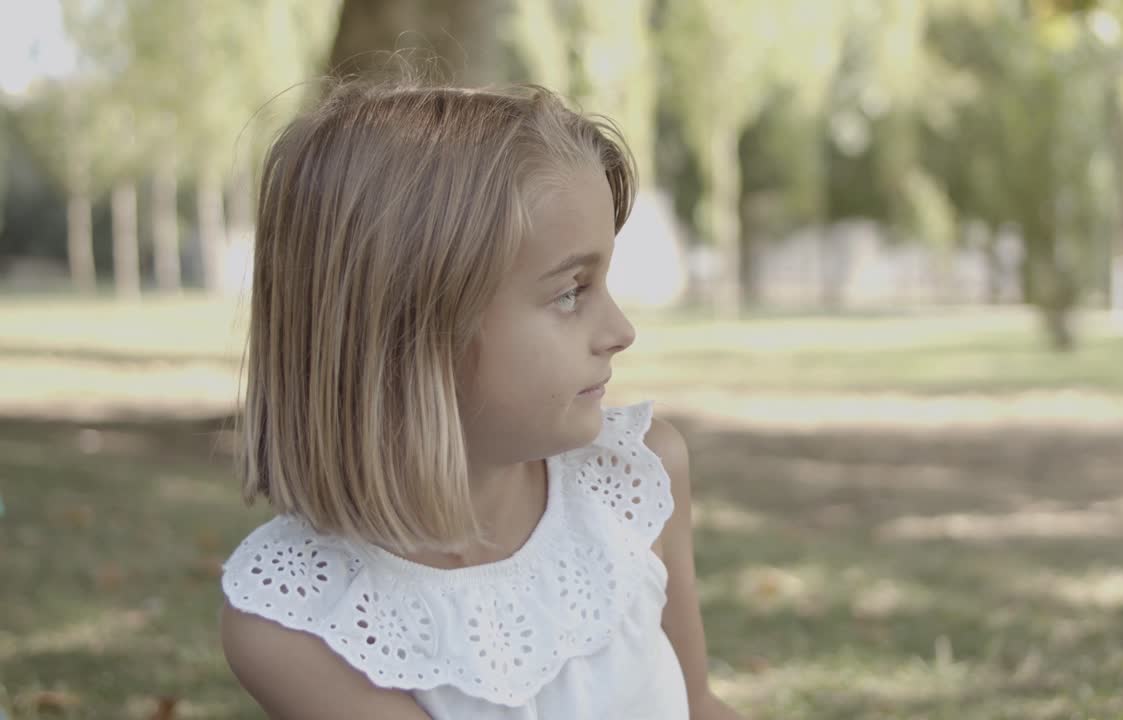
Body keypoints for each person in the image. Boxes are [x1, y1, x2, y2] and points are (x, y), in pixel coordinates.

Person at [218, 76, 743, 720]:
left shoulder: (637, 478)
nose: (621, 332)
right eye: (571, 291)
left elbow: (697, 706)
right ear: (412, 325)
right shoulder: (299, 619)